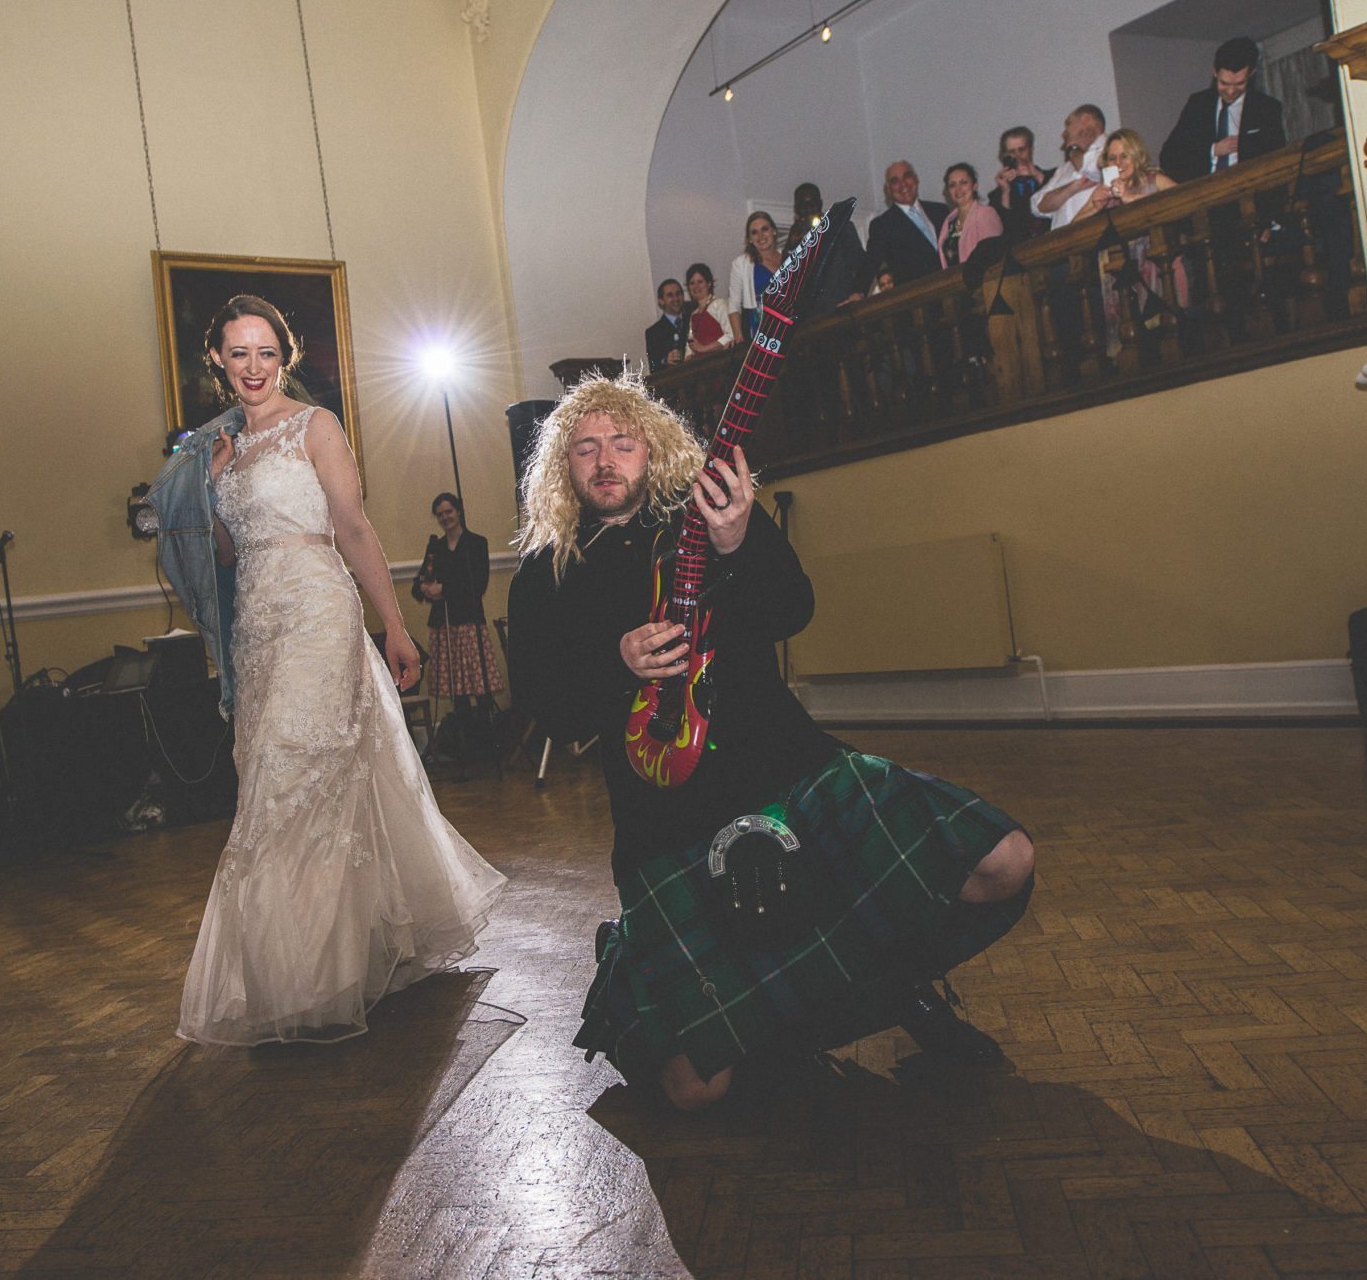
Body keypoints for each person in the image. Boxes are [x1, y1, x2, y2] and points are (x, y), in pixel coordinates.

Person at [508, 376, 1037, 1112]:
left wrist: (739, 539)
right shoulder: (545, 574)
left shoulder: (710, 517)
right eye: (586, 447)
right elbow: (545, 707)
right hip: (666, 823)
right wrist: (615, 663)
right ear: (563, 468)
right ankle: (644, 972)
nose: (605, 460)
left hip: (791, 770)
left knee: (1003, 862)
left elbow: (793, 610)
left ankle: (897, 992)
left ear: (651, 449)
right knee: (694, 1089)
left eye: (622, 443)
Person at [150, 294, 503, 1046]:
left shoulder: (316, 426)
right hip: (257, 628)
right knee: (274, 775)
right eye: (238, 353)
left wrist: (395, 625)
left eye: (266, 352)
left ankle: (311, 977)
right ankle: (324, 957)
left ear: (287, 357)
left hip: (316, 608)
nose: (253, 367)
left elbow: (352, 527)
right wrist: (188, 495)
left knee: (293, 772)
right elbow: (221, 557)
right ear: (216, 358)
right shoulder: (214, 451)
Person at [1081, 128, 1183, 355]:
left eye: (1124, 155)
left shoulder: (1155, 179)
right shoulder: (1103, 191)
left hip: (1158, 271)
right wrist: (1094, 209)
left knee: (1164, 338)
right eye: (1112, 157)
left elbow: (1183, 200)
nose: (1118, 162)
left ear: (1136, 156)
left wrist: (1129, 198)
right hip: (1118, 279)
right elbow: (1073, 227)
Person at [411, 492, 504, 715]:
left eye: (449, 512)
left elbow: (477, 586)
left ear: (459, 511)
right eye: (440, 514)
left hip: (469, 623)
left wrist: (443, 589)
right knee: (457, 692)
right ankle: (464, 739)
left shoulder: (476, 543)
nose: (445, 518)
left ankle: (485, 735)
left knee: (479, 687)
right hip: (444, 625)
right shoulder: (436, 547)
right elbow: (418, 586)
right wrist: (425, 588)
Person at [1160, 36, 1287, 183]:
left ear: (1251, 74)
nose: (1231, 91)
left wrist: (1244, 146)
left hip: (1251, 191)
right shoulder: (1198, 105)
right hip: (1207, 194)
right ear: (1214, 72)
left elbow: (1278, 155)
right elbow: (1169, 156)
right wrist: (1213, 150)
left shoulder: (1266, 108)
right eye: (1224, 83)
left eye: (1239, 84)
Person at [864, 160, 951, 286]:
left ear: (916, 179)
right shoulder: (883, 225)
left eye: (907, 176)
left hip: (955, 293)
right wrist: (857, 292)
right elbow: (870, 263)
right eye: (895, 181)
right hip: (919, 299)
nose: (903, 184)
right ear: (888, 189)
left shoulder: (940, 211)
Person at [787, 182, 868, 309]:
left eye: (812, 204)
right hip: (811, 318)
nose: (808, 209)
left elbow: (861, 264)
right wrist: (792, 245)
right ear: (797, 209)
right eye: (803, 206)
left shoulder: (842, 227)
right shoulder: (794, 239)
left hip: (843, 307)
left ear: (820, 203)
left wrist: (857, 293)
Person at [1034, 105, 1110, 230]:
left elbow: (1094, 171)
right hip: (1061, 243)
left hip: (1098, 238)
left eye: (1069, 123)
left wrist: (1073, 150)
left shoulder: (1112, 151)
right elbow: (1037, 206)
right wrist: (1073, 187)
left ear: (1086, 119)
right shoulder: (1064, 169)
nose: (1064, 133)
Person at [935, 164, 1004, 271]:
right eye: (952, 185)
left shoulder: (985, 214)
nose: (958, 189)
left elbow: (994, 257)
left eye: (964, 183)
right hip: (953, 284)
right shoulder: (948, 222)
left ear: (975, 185)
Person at [727, 211, 781, 344]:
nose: (760, 236)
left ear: (773, 231)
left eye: (765, 229)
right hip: (762, 331)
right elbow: (734, 304)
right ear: (749, 239)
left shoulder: (789, 256)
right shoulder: (741, 264)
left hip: (792, 324)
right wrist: (738, 336)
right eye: (754, 232)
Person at [991, 126, 1051, 241]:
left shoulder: (1053, 177)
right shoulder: (998, 195)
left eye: (1021, 150)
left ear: (1031, 149)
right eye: (1012, 152)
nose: (1018, 156)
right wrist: (1005, 192)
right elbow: (1003, 229)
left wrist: (1037, 176)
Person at [682, 264, 734, 357]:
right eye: (692, 283)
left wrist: (704, 348)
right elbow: (690, 345)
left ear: (709, 283)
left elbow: (730, 335)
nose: (696, 286)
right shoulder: (693, 314)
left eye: (700, 282)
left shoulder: (719, 304)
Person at [644, 279, 688, 367]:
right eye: (670, 295)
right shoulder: (653, 333)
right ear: (661, 301)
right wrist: (665, 360)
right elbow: (653, 365)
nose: (675, 298)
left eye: (678, 294)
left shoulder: (693, 318)